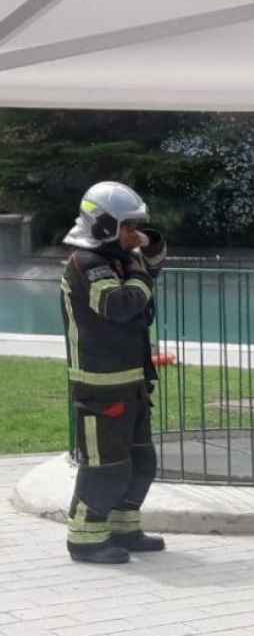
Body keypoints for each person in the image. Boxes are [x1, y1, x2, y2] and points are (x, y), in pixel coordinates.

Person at [58, 181, 168, 564]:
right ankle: (85, 538)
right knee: (106, 468)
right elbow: (120, 304)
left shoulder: (116, 260)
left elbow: (144, 279)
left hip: (130, 382)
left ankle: (124, 528)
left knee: (141, 462)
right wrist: (141, 269)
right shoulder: (84, 264)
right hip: (100, 387)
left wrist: (145, 256)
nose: (135, 235)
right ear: (104, 225)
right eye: (128, 227)